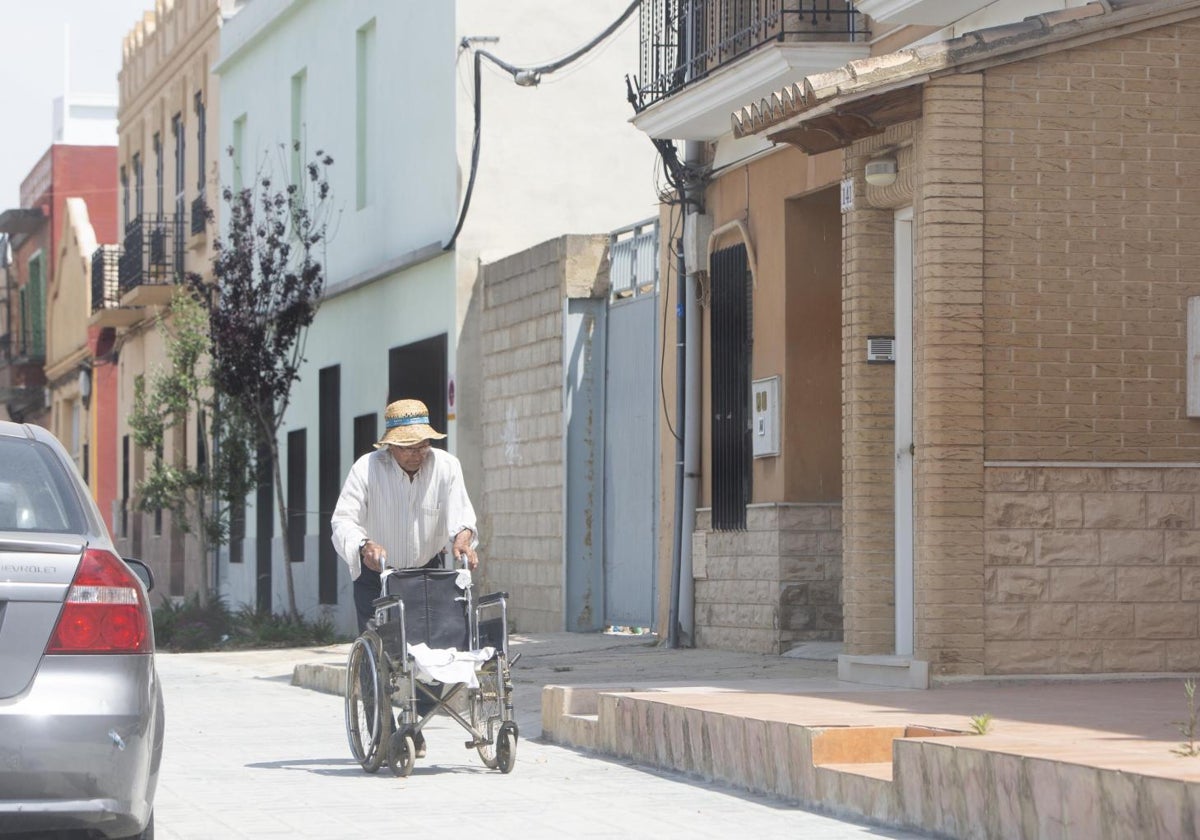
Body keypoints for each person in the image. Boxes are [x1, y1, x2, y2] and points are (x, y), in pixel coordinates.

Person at [331, 398, 479, 758]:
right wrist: (363, 544)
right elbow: (343, 521)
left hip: (427, 572)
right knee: (375, 655)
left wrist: (464, 537)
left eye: (423, 445)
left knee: (450, 651)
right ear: (391, 445)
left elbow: (462, 517)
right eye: (409, 447)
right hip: (377, 575)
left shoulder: (446, 467)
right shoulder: (366, 469)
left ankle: (415, 724)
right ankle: (384, 737)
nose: (417, 453)